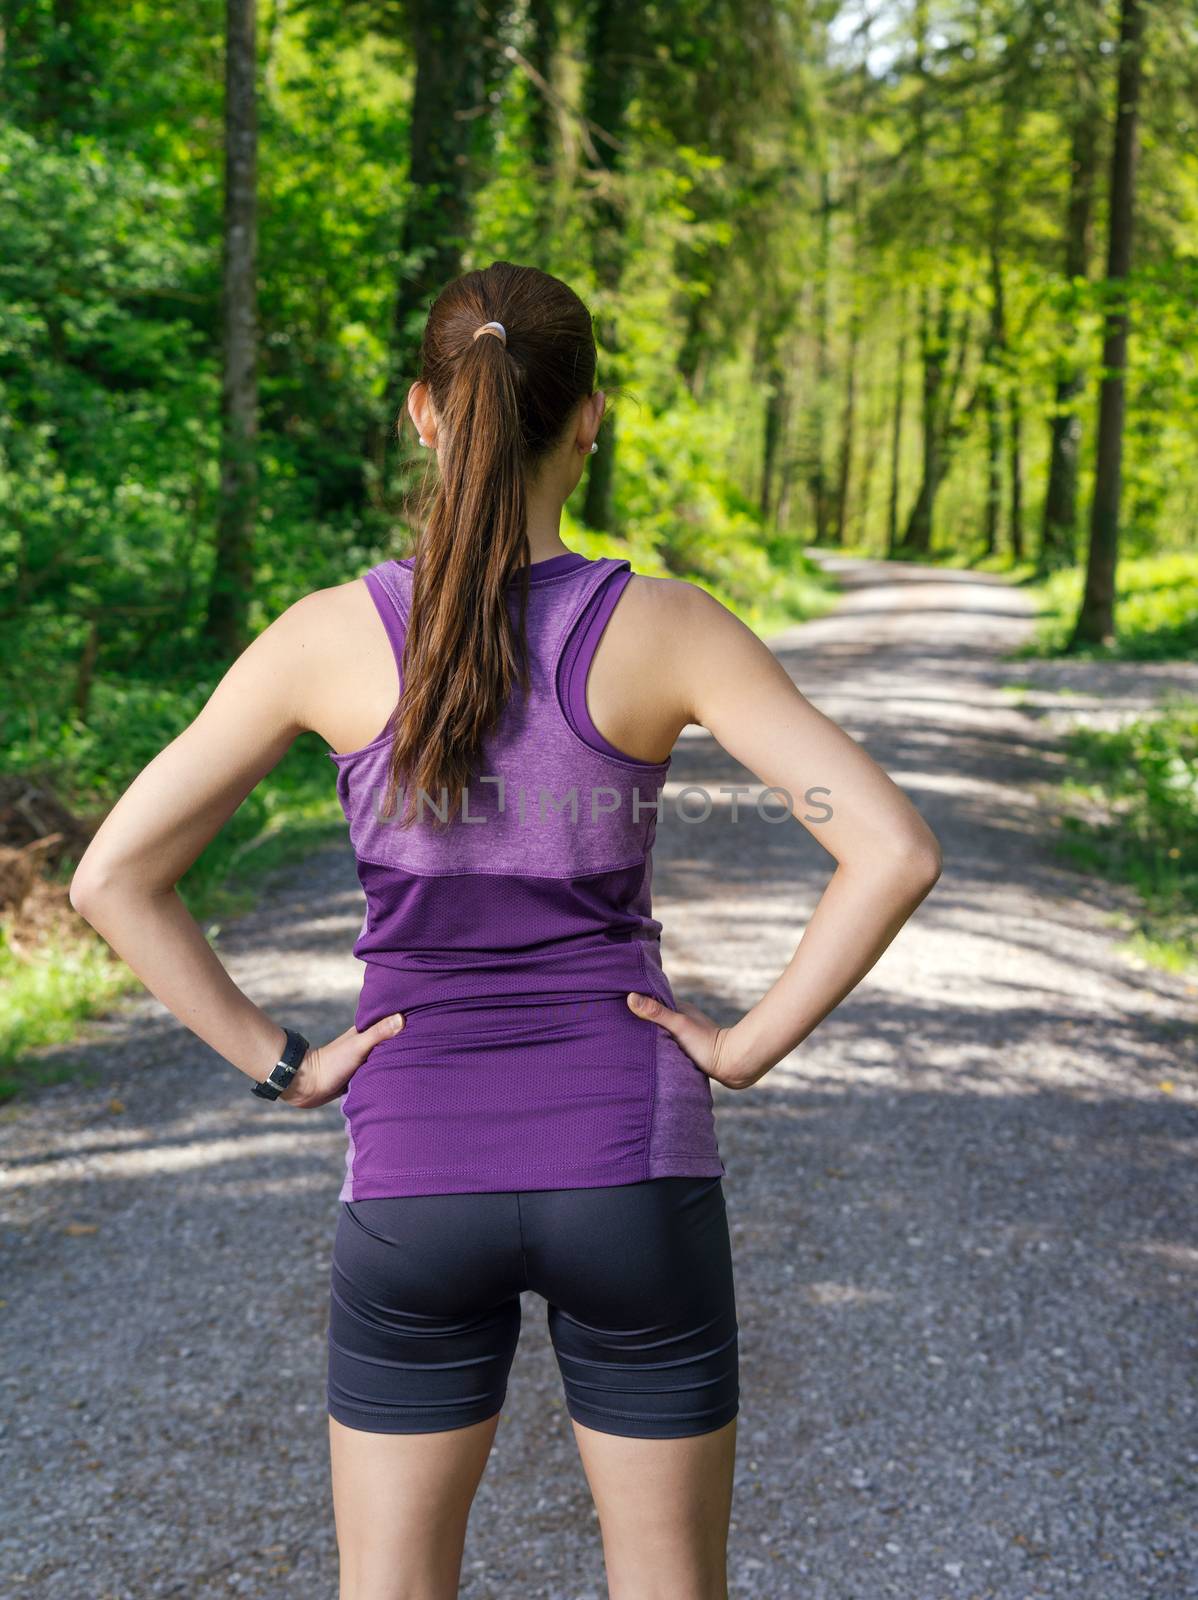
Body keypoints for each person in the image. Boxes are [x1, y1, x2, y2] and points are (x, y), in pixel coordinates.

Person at [69, 260, 942, 1600]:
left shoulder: (323, 640)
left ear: (426, 412)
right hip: (630, 1167)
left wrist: (281, 1060)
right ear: (586, 418)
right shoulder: (667, 630)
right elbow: (886, 849)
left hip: (416, 1173)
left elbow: (114, 876)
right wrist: (746, 1044)